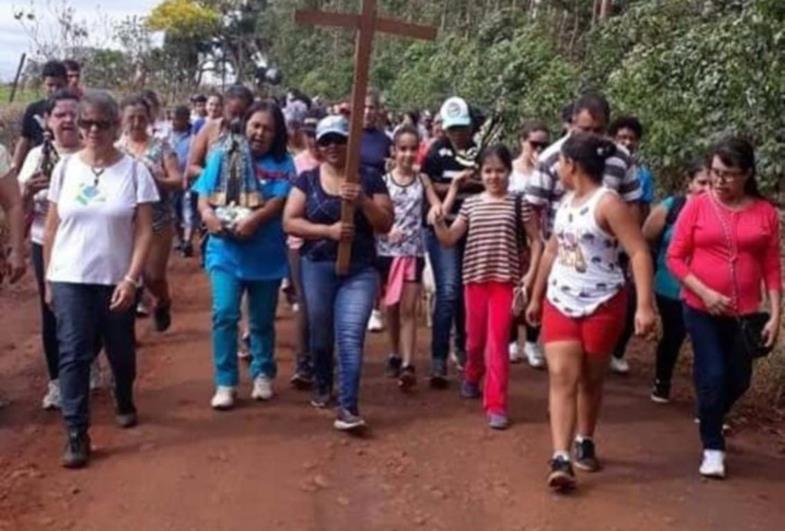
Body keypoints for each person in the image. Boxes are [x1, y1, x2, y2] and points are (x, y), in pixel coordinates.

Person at [526, 132, 655, 492]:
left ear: (572, 165)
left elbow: (639, 252)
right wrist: (536, 296)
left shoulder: (608, 203)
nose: (558, 171)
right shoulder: (566, 202)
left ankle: (585, 437)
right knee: (562, 376)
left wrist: (643, 305)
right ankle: (561, 457)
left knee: (590, 378)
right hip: (561, 300)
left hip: (602, 302)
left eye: (561, 164)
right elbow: (552, 250)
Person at [43, 90, 158, 468]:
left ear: (115, 127)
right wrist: (48, 278)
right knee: (73, 353)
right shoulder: (65, 168)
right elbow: (53, 225)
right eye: (86, 122)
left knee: (120, 350)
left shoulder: (135, 172)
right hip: (69, 276)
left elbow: (144, 231)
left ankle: (123, 395)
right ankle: (76, 432)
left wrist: (131, 278)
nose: (93, 130)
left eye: (102, 124)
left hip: (116, 278)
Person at [667, 138, 781, 479]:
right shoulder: (698, 206)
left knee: (739, 379)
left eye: (728, 175)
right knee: (713, 375)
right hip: (701, 308)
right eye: (715, 173)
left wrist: (775, 314)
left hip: (745, 313)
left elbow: (772, 267)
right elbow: (675, 257)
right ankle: (713, 446)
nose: (719, 181)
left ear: (746, 174)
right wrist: (705, 292)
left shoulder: (765, 213)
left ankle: (711, 410)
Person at [283, 115, 393, 431]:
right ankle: (322, 380)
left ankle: (348, 406)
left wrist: (361, 201)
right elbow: (290, 221)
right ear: (317, 145)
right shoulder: (307, 180)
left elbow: (385, 223)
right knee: (321, 332)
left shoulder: (369, 179)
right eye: (326, 140)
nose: (333, 146)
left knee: (350, 333)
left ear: (351, 143)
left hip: (360, 270)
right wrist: (327, 231)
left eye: (339, 140)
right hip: (317, 265)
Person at [524, 93, 642, 377]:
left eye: (598, 130)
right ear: (570, 124)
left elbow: (634, 203)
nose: (591, 137)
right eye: (584, 129)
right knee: (564, 365)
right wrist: (536, 250)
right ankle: (563, 403)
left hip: (605, 266)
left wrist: (627, 248)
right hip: (561, 259)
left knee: (590, 369)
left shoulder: (621, 159)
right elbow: (531, 206)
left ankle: (578, 406)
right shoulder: (553, 157)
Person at [433, 145, 542, 429]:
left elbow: (537, 241)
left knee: (497, 344)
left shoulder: (519, 203)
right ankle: (472, 374)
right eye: (488, 171)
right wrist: (437, 221)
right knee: (474, 340)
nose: (494, 176)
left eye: (500, 170)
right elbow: (449, 238)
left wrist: (530, 276)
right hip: (475, 280)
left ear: (509, 172)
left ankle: (496, 403)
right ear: (480, 174)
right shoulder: (470, 204)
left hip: (505, 282)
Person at [194, 101, 293, 410]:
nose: (260, 133)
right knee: (224, 314)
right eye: (256, 125)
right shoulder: (224, 154)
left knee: (262, 319)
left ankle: (263, 371)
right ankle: (225, 382)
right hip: (225, 251)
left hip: (266, 254)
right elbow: (203, 194)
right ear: (245, 125)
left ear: (276, 134)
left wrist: (256, 219)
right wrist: (208, 216)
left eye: (267, 128)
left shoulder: (283, 162)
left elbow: (279, 201)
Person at [18, 88, 83, 409]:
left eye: (73, 114)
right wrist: (28, 192)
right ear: (48, 121)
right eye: (60, 115)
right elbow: (18, 204)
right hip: (45, 243)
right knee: (51, 311)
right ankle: (57, 381)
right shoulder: (36, 157)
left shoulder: (93, 153)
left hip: (86, 246)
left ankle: (88, 362)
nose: (68, 120)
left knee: (89, 311)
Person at [422, 96, 484, 386]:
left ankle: (463, 346)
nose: (457, 133)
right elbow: (428, 184)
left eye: (462, 127)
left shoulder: (481, 152)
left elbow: (493, 181)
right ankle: (438, 358)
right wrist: (460, 184)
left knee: (465, 289)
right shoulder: (436, 153)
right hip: (442, 226)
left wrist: (469, 183)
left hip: (474, 227)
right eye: (452, 128)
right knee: (448, 289)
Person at [641, 161, 710, 403]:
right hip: (670, 287)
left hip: (707, 292)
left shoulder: (722, 212)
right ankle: (662, 380)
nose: (707, 188)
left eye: (711, 183)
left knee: (705, 343)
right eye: (702, 182)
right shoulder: (672, 207)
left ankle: (708, 401)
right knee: (674, 335)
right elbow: (646, 237)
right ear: (689, 183)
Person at [377, 126, 440, 389]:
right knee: (390, 307)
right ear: (394, 151)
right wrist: (386, 229)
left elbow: (436, 203)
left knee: (409, 309)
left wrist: (435, 210)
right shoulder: (383, 181)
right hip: (385, 251)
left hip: (413, 251)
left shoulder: (422, 180)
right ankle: (394, 353)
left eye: (413, 149)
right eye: (403, 149)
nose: (407, 154)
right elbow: (374, 213)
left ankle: (408, 363)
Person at [117, 95, 183, 332]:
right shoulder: (116, 149)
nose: (135, 123)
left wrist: (155, 180)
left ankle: (163, 301)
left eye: (141, 118)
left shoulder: (161, 146)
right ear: (122, 119)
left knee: (153, 276)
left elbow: (178, 180)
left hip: (157, 221)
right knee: (127, 278)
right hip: (124, 223)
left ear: (149, 119)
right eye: (131, 118)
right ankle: (125, 333)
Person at [608, 115, 657, 373]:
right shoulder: (601, 167)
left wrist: (639, 242)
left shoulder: (643, 175)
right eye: (622, 137)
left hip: (628, 245)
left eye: (631, 138)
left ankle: (617, 350)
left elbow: (643, 207)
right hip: (603, 243)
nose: (627, 142)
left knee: (629, 296)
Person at [509, 120, 550, 368]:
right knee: (514, 285)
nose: (538, 149)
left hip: (541, 236)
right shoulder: (511, 170)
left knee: (538, 287)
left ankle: (533, 342)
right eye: (534, 143)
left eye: (544, 145)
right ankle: (512, 340)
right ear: (522, 141)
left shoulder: (548, 170)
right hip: (513, 237)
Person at [288, 110, 322, 388]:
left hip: (329, 244)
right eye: (308, 134)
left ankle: (323, 356)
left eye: (317, 134)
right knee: (305, 302)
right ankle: (303, 361)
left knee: (325, 305)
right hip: (299, 244)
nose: (312, 140)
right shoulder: (296, 164)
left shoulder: (337, 163)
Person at [361, 90, 393, 333]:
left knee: (376, 257)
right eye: (363, 107)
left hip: (377, 203)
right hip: (351, 201)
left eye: (372, 107)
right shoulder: (347, 137)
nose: (368, 112)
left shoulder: (385, 140)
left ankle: (375, 308)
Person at [188, 85, 254, 182]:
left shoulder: (255, 133)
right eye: (233, 114)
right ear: (224, 109)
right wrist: (211, 174)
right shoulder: (210, 128)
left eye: (243, 115)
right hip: (212, 192)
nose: (237, 120)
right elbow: (192, 167)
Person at [11, 60, 68, 172]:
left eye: (59, 85)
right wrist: (15, 168)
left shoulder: (74, 110)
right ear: (43, 85)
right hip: (40, 162)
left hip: (66, 162)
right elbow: (24, 140)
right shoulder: (33, 109)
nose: (54, 90)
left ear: (66, 84)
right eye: (50, 85)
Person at [170, 105, 197, 257]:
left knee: (189, 210)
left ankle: (188, 241)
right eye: (173, 118)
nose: (174, 121)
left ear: (185, 119)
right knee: (174, 213)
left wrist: (186, 176)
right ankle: (181, 240)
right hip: (172, 180)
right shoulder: (167, 135)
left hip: (189, 179)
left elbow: (192, 158)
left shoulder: (194, 137)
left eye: (177, 119)